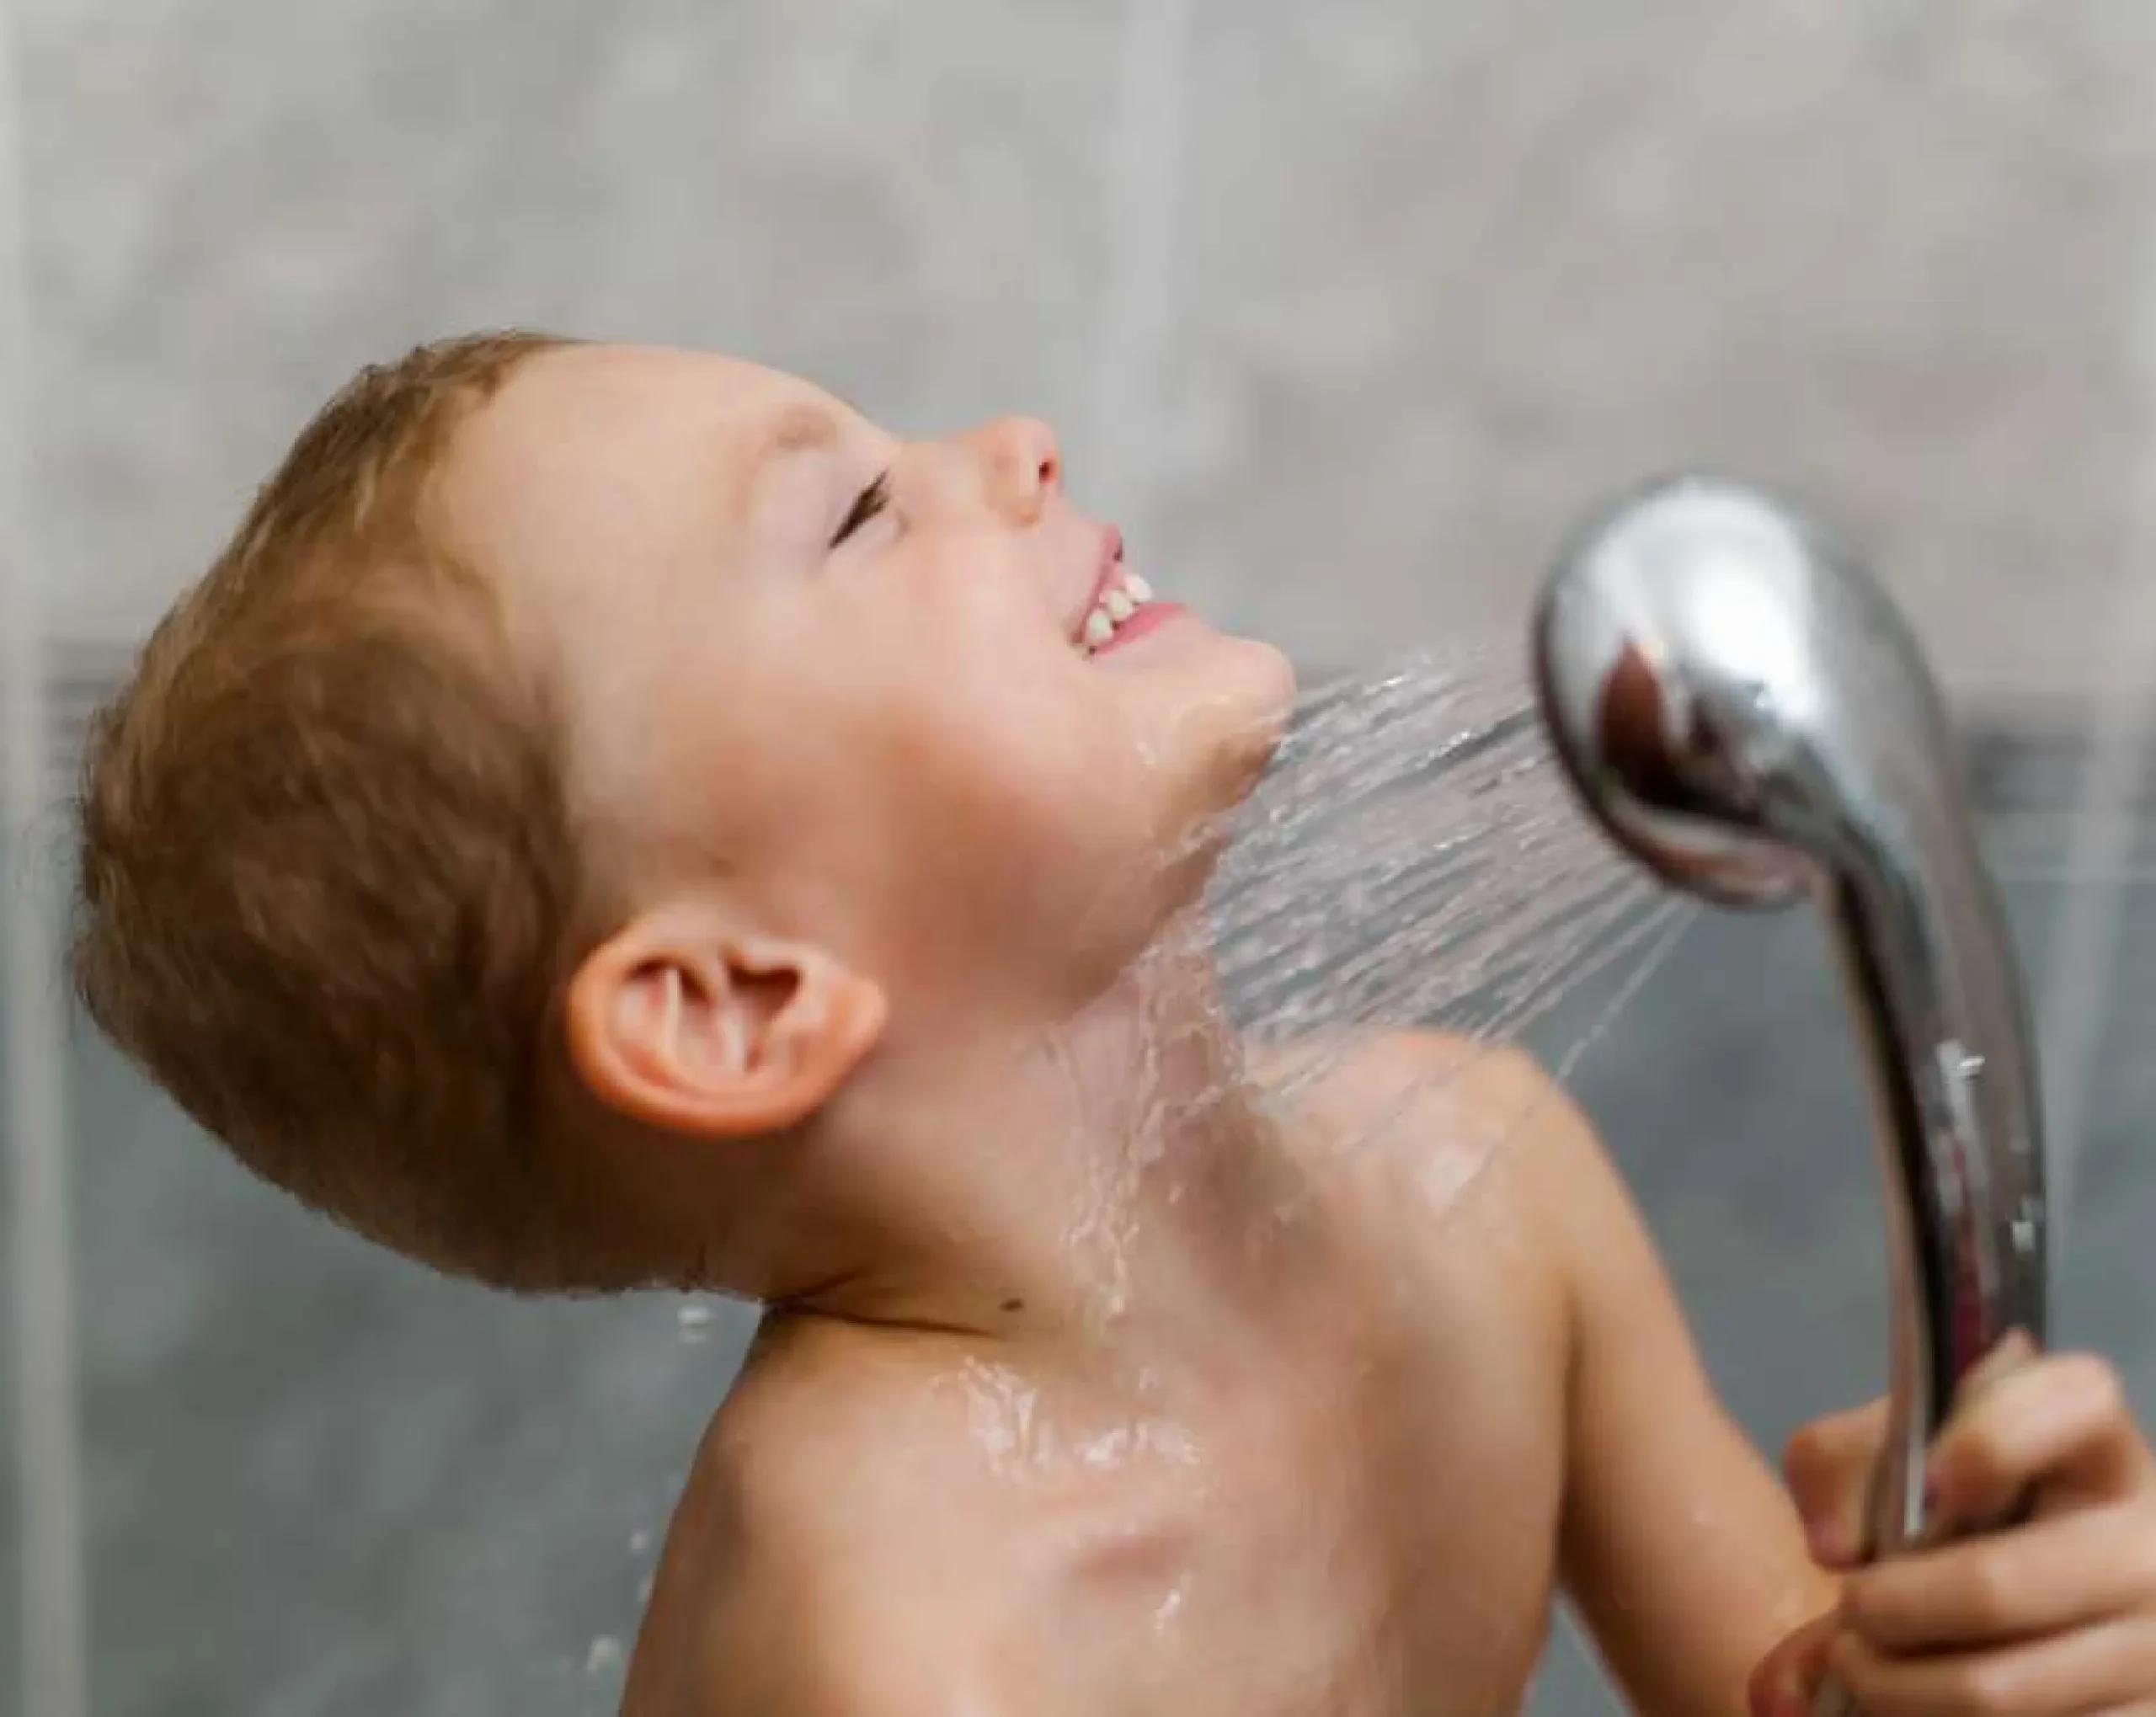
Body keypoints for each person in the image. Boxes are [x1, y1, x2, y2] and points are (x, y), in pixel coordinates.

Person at [72, 333, 2156, 1716]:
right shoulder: (894, 1631)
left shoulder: (1475, 1176)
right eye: (859, 512)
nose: (1010, 445)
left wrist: (1999, 1632)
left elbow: (1786, 1678)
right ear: (733, 1001)